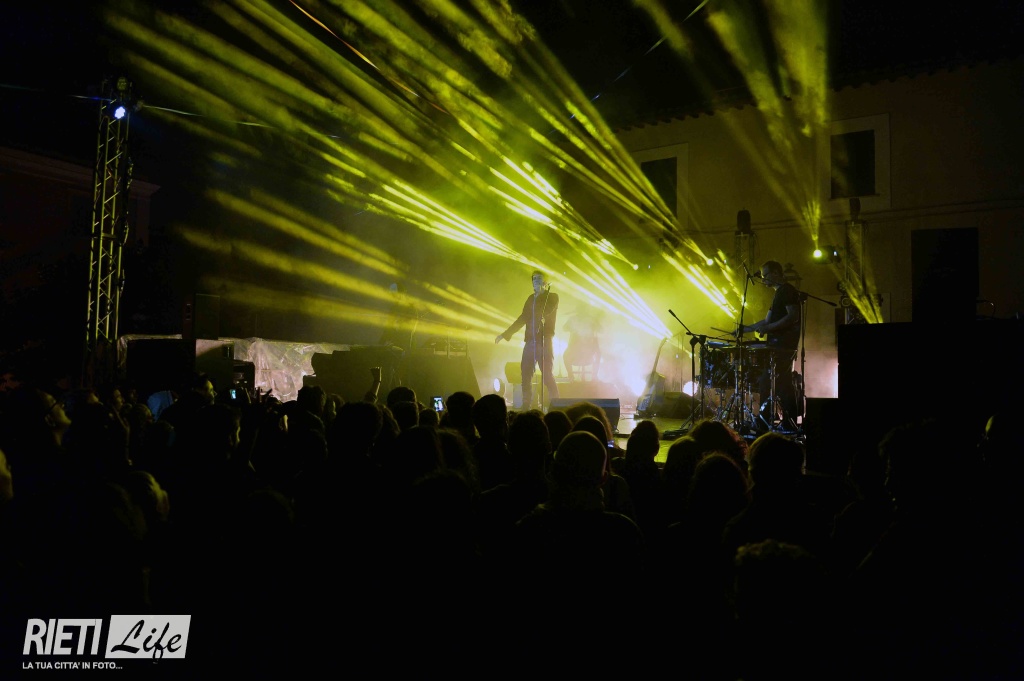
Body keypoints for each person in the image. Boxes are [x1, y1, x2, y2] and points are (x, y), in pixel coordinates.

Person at [739, 260, 801, 428]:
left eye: (765, 275)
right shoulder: (778, 293)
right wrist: (746, 329)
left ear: (775, 273)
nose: (763, 279)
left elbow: (793, 316)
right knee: (782, 384)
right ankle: (788, 423)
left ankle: (764, 421)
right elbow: (767, 321)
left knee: (768, 382)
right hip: (778, 345)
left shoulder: (787, 291)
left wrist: (768, 328)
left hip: (784, 345)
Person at [495, 270, 559, 409]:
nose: (535, 281)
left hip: (545, 340)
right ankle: (526, 405)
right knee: (525, 373)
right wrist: (505, 334)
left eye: (539, 278)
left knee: (547, 374)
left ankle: (557, 404)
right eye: (534, 279)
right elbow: (523, 318)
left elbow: (546, 311)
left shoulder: (552, 297)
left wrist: (540, 295)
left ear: (545, 282)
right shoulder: (531, 299)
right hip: (530, 341)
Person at [561, 303, 602, 382]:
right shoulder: (578, 319)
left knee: (565, 356)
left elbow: (564, 328)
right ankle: (592, 376)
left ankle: (571, 375)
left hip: (582, 352)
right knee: (598, 353)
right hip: (583, 352)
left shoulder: (589, 319)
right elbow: (565, 328)